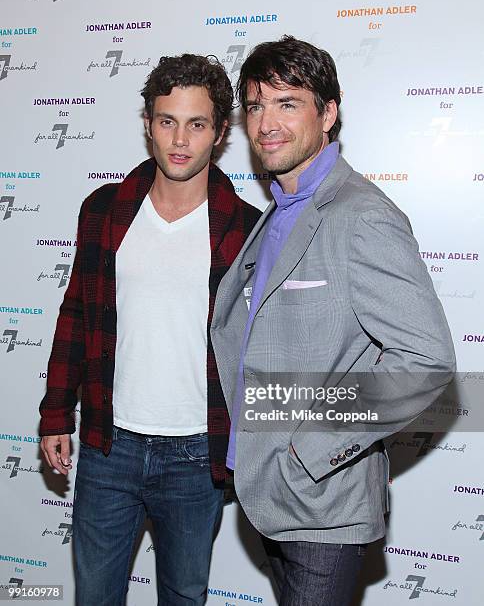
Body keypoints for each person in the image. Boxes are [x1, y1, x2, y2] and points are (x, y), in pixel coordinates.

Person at [210, 36, 455, 606]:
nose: (266, 123)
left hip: (322, 505)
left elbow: (425, 360)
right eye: (255, 105)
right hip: (271, 492)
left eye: (287, 103)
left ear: (328, 112)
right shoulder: (280, 212)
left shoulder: (360, 215)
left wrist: (313, 447)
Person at [39, 53, 260, 606]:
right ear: (147, 124)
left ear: (220, 133)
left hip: (196, 454)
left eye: (197, 123)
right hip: (108, 445)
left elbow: (259, 347)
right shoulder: (103, 210)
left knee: (184, 596)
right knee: (95, 595)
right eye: (167, 121)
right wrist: (54, 412)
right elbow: (76, 315)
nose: (180, 140)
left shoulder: (248, 230)